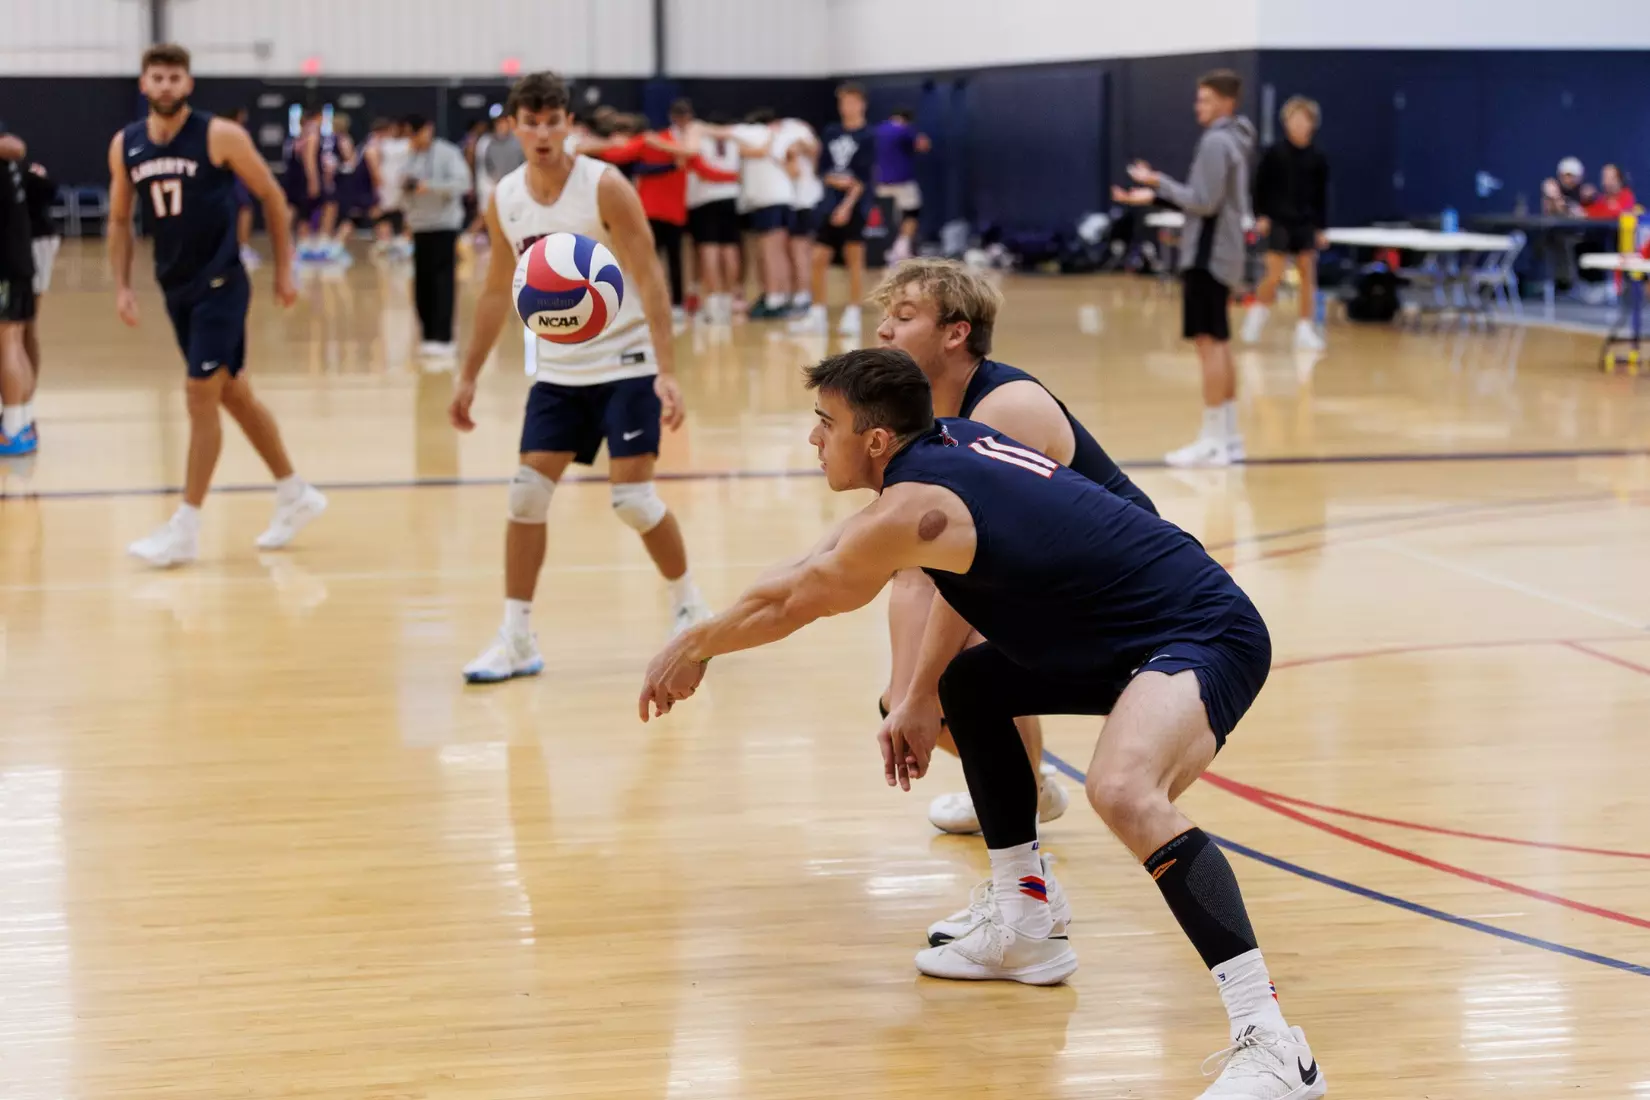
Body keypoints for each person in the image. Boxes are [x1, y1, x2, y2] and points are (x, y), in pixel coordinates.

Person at [638, 347, 1325, 1100]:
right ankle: (1025, 922)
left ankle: (1273, 1044)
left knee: (1124, 790)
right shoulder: (948, 448)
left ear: (875, 440)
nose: (813, 438)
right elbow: (863, 567)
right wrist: (917, 694)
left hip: (1201, 629)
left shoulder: (912, 507)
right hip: (1113, 634)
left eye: (825, 423)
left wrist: (694, 645)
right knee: (968, 686)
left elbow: (798, 597)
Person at [869, 257, 1157, 836]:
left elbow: (982, 576)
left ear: (956, 333)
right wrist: (907, 695)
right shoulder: (925, 415)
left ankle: (1019, 818)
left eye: (904, 316)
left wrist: (923, 689)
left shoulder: (1006, 409)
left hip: (1126, 589)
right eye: (886, 316)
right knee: (903, 703)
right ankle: (1027, 787)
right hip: (1049, 577)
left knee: (967, 674)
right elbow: (916, 562)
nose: (883, 330)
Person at [448, 71, 710, 684]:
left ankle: (690, 607)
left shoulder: (605, 186)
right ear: (513, 127)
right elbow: (495, 291)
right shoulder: (505, 197)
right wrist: (468, 376)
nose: (542, 134)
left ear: (569, 124)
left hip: (627, 363)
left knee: (633, 500)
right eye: (530, 123)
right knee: (525, 495)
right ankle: (516, 637)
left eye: (552, 122)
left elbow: (649, 277)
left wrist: (668, 371)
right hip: (558, 371)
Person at [108, 43, 326, 566]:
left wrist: (285, 270)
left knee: (199, 393)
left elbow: (272, 196)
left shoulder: (219, 135)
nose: (165, 86)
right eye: (157, 77)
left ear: (188, 84)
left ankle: (186, 525)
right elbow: (118, 219)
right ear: (143, 84)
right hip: (175, 287)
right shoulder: (126, 144)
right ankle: (295, 491)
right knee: (233, 394)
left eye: (174, 77)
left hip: (222, 282)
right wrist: (122, 285)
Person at [1115, 69, 1256, 468]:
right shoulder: (1237, 138)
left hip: (1207, 255)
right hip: (1224, 253)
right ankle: (1229, 438)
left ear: (1227, 102)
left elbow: (1203, 201)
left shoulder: (1215, 141)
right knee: (1220, 343)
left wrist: (1158, 182)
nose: (1198, 106)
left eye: (1206, 99)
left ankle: (1212, 441)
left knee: (1209, 345)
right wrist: (1153, 194)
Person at [1243, 96, 1328, 351]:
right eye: (1294, 119)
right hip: (1277, 221)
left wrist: (1321, 228)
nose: (1299, 124)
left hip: (1305, 223)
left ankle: (1305, 328)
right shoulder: (1273, 154)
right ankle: (1256, 316)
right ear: (1286, 122)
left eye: (1304, 119)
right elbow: (1257, 187)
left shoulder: (1318, 158)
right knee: (1275, 274)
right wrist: (1260, 215)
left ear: (1312, 124)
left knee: (1307, 275)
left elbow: (1322, 195)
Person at [796, 82, 875, 337]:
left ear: (861, 104)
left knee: (854, 259)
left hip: (855, 205)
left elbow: (862, 179)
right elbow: (822, 169)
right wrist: (834, 180)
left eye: (851, 101)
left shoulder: (868, 136)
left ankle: (853, 313)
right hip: (829, 204)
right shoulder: (831, 132)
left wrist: (847, 206)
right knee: (818, 258)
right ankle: (817, 312)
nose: (846, 107)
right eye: (842, 102)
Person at [400, 115, 470, 361]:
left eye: (415, 133)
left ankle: (443, 337)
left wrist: (430, 186)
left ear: (427, 130)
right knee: (422, 283)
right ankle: (427, 335)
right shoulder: (409, 156)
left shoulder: (448, 153)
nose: (413, 140)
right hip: (420, 226)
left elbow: (463, 183)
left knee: (443, 282)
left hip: (444, 225)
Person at [0, 127, 36, 458]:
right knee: (15, 340)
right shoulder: (8, 155)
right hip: (20, 260)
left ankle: (11, 431)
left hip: (5, 265)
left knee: (8, 344)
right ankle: (21, 421)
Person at [22, 160, 58, 435]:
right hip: (17, 247)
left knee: (23, 326)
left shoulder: (23, 173)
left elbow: (49, 191)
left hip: (34, 245)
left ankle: (24, 404)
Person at [776, 115, 822, 318]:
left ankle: (804, 295)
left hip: (803, 202)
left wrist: (791, 154)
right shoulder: (797, 132)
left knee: (800, 250)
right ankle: (803, 293)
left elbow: (796, 169)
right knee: (799, 250)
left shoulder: (793, 135)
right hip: (803, 201)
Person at [874, 108, 930, 264]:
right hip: (903, 181)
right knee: (911, 213)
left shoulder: (878, 130)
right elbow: (923, 145)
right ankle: (901, 248)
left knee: (888, 218)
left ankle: (889, 248)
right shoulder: (904, 129)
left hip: (880, 182)